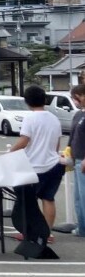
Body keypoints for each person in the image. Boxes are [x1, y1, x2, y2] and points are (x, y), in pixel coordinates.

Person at [9, 85, 64, 243]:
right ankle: (48, 233)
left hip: (33, 166)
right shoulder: (54, 118)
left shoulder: (30, 118)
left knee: (28, 201)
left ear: (27, 101)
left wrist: (10, 152)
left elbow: (24, 141)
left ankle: (29, 232)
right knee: (48, 199)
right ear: (44, 99)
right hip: (54, 164)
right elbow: (57, 144)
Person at [67, 84, 85, 237]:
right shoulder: (78, 114)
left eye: (76, 98)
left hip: (83, 160)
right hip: (76, 159)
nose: (75, 101)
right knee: (78, 197)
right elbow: (72, 136)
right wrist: (67, 152)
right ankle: (81, 227)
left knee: (83, 196)